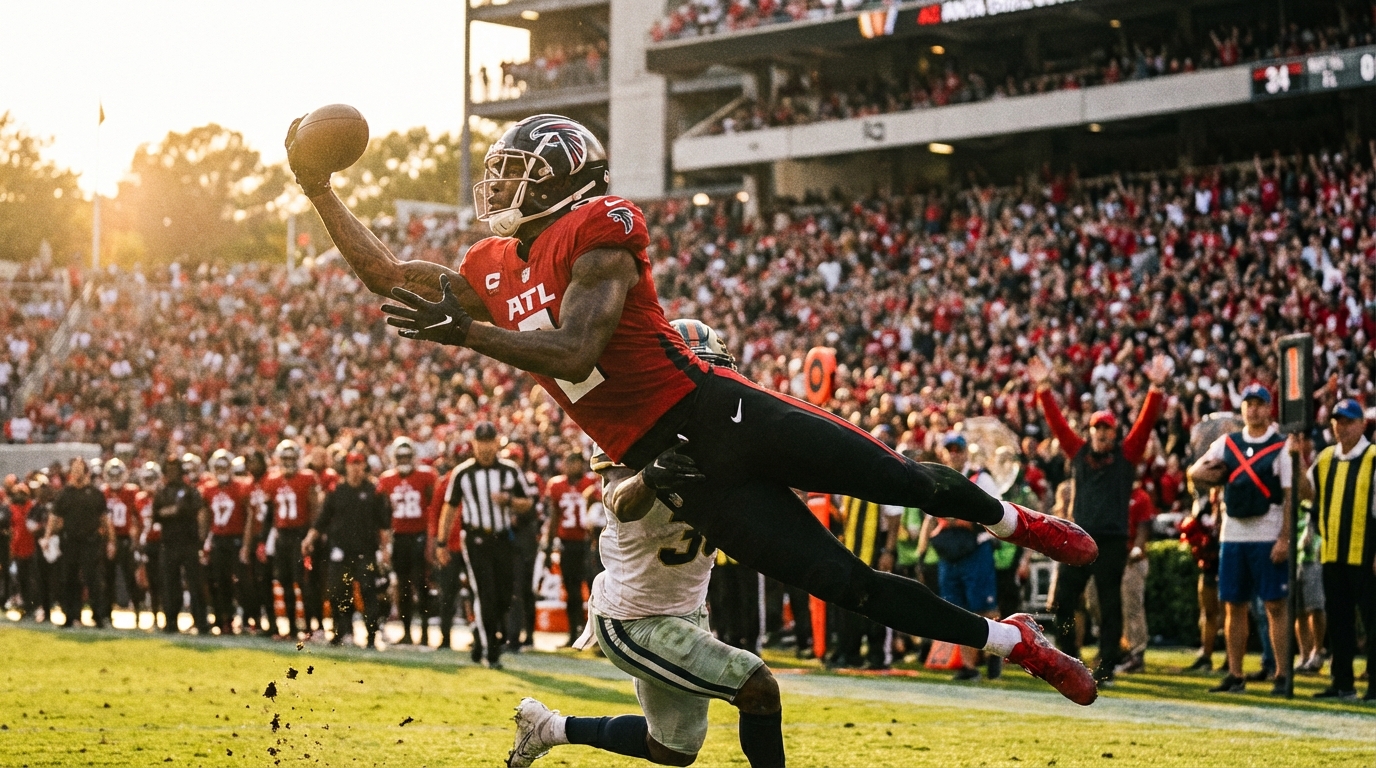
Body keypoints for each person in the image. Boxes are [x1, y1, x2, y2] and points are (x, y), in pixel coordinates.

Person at [289, 112, 1100, 705]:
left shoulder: (599, 227)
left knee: (899, 479)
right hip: (669, 463)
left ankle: (1014, 521)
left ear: (563, 181)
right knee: (842, 583)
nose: (498, 186)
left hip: (717, 412)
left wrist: (466, 332)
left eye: (517, 173)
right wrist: (319, 191)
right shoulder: (490, 263)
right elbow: (389, 276)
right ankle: (1014, 641)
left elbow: (576, 350)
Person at [507, 412, 785, 767]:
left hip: (687, 609)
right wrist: (649, 477)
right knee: (758, 687)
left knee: (672, 750)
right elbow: (621, 503)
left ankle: (548, 728)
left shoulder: (726, 432)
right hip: (632, 618)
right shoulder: (630, 423)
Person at [1030, 354, 1167, 683]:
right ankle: (1068, 658)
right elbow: (1058, 425)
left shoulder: (1126, 457)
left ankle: (1105, 666)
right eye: (1097, 429)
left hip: (1111, 540)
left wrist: (1156, 389)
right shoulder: (1079, 454)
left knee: (1109, 605)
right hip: (1079, 538)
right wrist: (1044, 388)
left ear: (1114, 434)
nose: (1102, 435)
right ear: (1090, 432)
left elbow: (1145, 424)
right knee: (1062, 602)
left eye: (1107, 430)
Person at [1188, 384, 1293, 695]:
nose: (1253, 409)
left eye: (1259, 404)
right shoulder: (1227, 443)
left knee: (1275, 606)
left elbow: (1289, 496)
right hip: (1233, 534)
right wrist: (1212, 475)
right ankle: (1235, 674)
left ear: (1269, 408)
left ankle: (1282, 674)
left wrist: (1285, 538)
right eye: (1249, 403)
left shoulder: (1281, 445)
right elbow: (1195, 472)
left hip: (1267, 533)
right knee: (1234, 605)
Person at [1296, 398, 1376, 701]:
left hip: (1365, 553)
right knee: (1339, 621)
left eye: (1348, 422)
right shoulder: (1326, 458)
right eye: (1337, 422)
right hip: (1332, 553)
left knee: (1372, 621)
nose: (1342, 428)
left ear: (1362, 424)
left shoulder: (1373, 457)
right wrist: (1297, 461)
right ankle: (1342, 682)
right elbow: (1307, 494)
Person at [434, 422, 533, 666]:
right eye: (481, 442)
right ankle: (492, 650)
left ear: (496, 443)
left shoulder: (510, 470)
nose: (486, 447)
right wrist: (441, 543)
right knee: (485, 593)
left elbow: (527, 503)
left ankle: (480, 635)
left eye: (490, 442)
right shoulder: (463, 473)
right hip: (476, 540)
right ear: (474, 444)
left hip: (502, 538)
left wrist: (508, 501)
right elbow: (450, 508)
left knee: (504, 595)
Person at [921, 433, 1002, 680]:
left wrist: (961, 517)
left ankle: (994, 654)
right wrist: (922, 551)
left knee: (985, 608)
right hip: (949, 551)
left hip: (975, 548)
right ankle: (969, 666)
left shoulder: (981, 478)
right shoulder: (938, 479)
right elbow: (929, 516)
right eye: (950, 450)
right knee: (957, 609)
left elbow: (995, 510)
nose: (954, 454)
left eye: (958, 449)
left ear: (966, 452)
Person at [304, 451, 391, 648]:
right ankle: (340, 631)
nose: (355, 468)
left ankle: (371, 636)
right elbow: (322, 519)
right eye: (352, 464)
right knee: (337, 592)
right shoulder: (337, 490)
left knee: (368, 592)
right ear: (346, 466)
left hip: (366, 550)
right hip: (341, 551)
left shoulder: (374, 490)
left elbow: (384, 524)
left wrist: (386, 549)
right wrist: (309, 539)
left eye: (359, 464)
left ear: (364, 466)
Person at [376, 436, 439, 645]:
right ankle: (407, 632)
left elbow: (433, 507)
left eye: (407, 456)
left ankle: (425, 633)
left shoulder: (426, 476)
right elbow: (383, 514)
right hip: (399, 537)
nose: (404, 460)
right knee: (402, 586)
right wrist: (385, 542)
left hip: (420, 535)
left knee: (421, 584)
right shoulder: (386, 479)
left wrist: (431, 539)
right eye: (400, 456)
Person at [262, 439, 320, 639]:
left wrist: (311, 536)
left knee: (303, 582)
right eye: (284, 458)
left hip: (300, 535)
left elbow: (314, 509)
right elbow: (269, 514)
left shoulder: (307, 478)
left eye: (291, 458)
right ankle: (292, 628)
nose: (288, 462)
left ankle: (309, 627)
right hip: (282, 536)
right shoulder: (272, 480)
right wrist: (265, 539)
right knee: (285, 582)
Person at [542, 449, 601, 645]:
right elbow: (553, 517)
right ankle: (574, 633)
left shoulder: (592, 483)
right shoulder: (556, 485)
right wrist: (548, 546)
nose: (571, 466)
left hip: (589, 543)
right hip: (567, 544)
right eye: (568, 462)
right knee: (571, 590)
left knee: (594, 588)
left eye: (575, 462)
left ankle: (596, 635)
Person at [47, 457, 111, 628]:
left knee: (93, 578)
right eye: (74, 468)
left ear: (86, 471)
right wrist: (47, 536)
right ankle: (71, 615)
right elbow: (54, 517)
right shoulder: (64, 493)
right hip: (70, 541)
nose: (76, 471)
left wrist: (111, 540)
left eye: (79, 468)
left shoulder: (95, 493)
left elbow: (104, 518)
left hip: (90, 541)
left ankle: (98, 616)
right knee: (69, 578)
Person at [153, 455, 211, 634]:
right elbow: (157, 515)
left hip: (189, 542)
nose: (172, 473)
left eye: (175, 469)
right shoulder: (162, 492)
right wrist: (176, 511)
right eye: (169, 469)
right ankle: (170, 621)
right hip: (169, 543)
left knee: (195, 584)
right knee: (170, 585)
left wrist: (201, 538)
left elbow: (199, 511)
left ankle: (201, 622)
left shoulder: (190, 491)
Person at [200, 450, 255, 634]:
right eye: (218, 467)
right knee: (220, 581)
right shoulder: (208, 489)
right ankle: (225, 619)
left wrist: (246, 544)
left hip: (236, 539)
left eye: (224, 467)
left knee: (242, 581)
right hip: (217, 539)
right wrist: (205, 541)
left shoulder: (241, 486)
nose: (221, 471)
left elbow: (249, 516)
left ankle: (249, 619)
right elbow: (205, 517)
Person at [1115, 476, 1156, 674]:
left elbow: (1144, 528)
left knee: (1132, 607)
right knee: (1102, 604)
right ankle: (1118, 649)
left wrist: (1136, 551)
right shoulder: (1113, 494)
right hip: (1113, 558)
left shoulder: (1140, 497)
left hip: (1132, 560)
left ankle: (1136, 653)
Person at [101, 458, 144, 625]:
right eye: (111, 475)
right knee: (107, 577)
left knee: (130, 577)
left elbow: (137, 516)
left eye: (117, 475)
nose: (114, 478)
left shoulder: (131, 492)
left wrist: (135, 538)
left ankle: (138, 610)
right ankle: (106, 613)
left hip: (126, 539)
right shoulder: (103, 492)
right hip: (108, 539)